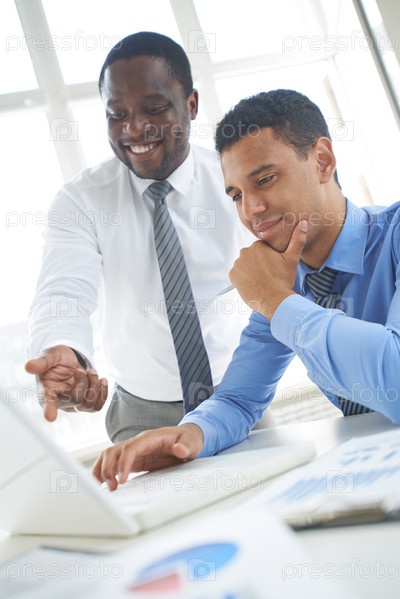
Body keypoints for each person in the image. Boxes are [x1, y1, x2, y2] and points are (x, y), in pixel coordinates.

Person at [92, 88, 400, 489]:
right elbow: (239, 399)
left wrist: (276, 300)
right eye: (237, 195)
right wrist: (190, 435)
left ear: (322, 160)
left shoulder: (388, 239)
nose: (251, 210)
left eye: (265, 179)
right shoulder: (286, 282)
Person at [25, 32, 251, 442]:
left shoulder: (233, 179)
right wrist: (64, 349)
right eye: (117, 114)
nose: (134, 128)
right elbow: (64, 290)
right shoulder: (81, 200)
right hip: (141, 411)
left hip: (236, 395)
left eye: (154, 108)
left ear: (191, 104)